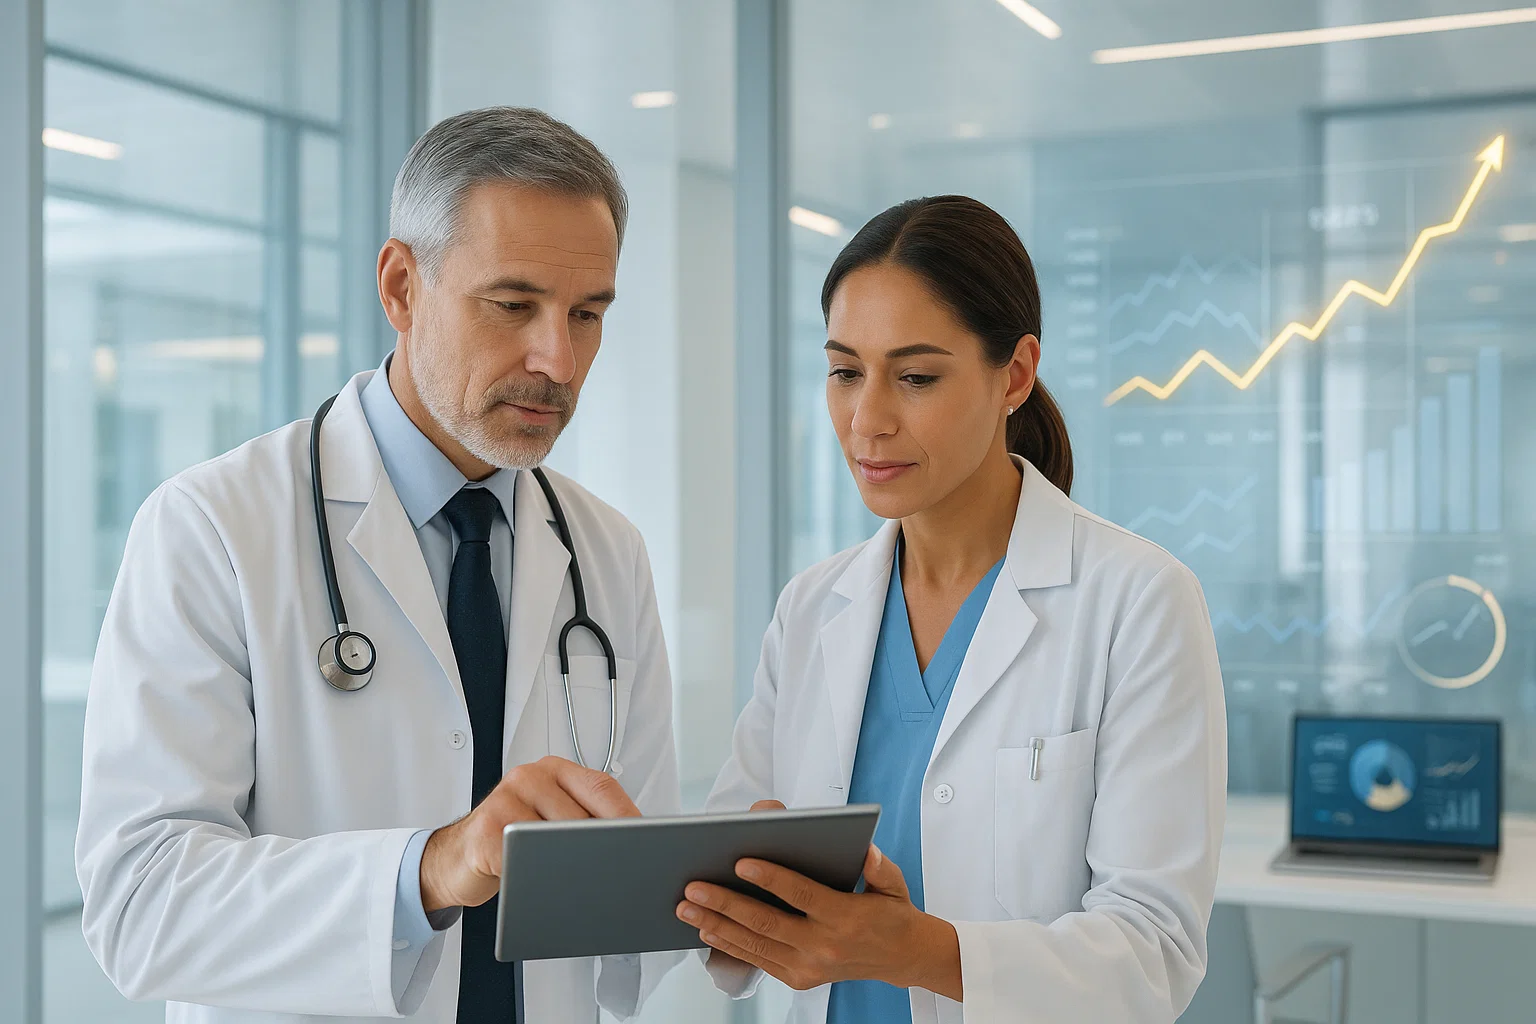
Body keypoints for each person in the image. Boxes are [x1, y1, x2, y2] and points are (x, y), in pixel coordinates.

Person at [76, 107, 680, 1024]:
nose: (557, 359)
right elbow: (141, 904)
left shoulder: (606, 554)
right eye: (513, 305)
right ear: (401, 287)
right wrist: (431, 868)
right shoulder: (213, 528)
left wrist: (731, 885)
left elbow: (627, 903)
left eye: (586, 314)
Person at [678, 196, 1227, 1023]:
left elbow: (1155, 951)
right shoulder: (810, 610)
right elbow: (728, 872)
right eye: (844, 371)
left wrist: (911, 950)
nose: (867, 420)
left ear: (1014, 373)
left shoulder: (1138, 601)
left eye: (916, 377)